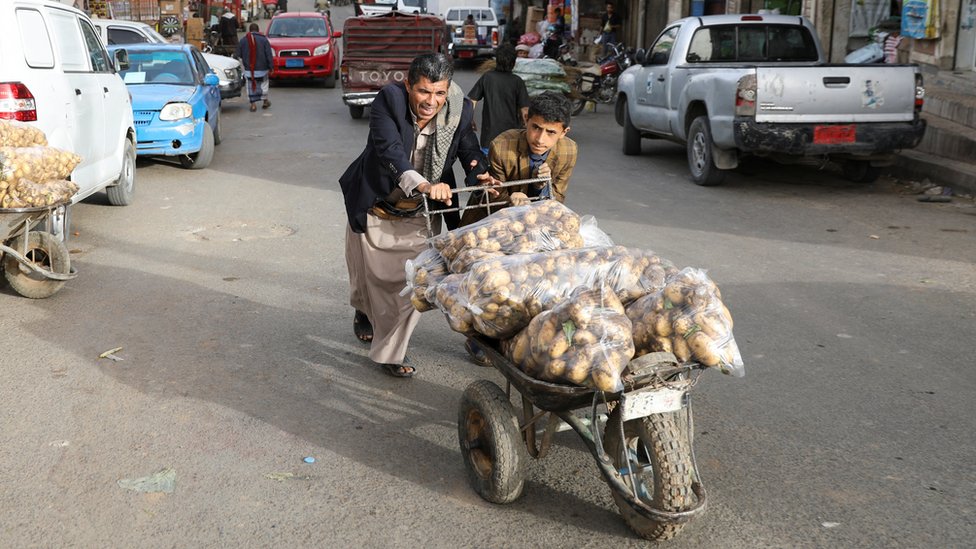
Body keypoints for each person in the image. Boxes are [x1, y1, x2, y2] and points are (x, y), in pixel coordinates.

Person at [338, 53, 496, 378]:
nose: (431, 101)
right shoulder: (389, 100)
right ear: (409, 84)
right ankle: (362, 312)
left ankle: (390, 352)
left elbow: (467, 147)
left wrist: (479, 172)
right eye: (424, 92)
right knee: (367, 279)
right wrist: (423, 183)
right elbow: (388, 149)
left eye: (439, 93)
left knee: (413, 285)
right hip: (375, 202)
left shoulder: (460, 109)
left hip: (420, 213)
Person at [459, 92, 577, 365]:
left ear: (563, 132)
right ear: (526, 120)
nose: (540, 138)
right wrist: (509, 199)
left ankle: (519, 337)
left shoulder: (569, 151)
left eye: (550, 132)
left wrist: (540, 187)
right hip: (493, 222)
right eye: (535, 128)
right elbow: (490, 192)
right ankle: (480, 335)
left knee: (537, 284)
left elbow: (558, 198)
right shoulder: (502, 145)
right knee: (493, 285)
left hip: (538, 226)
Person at [467, 44, 529, 155]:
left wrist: (470, 118)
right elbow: (525, 111)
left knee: (489, 167)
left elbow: (472, 100)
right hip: (511, 137)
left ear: (497, 61)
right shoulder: (517, 81)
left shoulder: (487, 77)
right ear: (514, 63)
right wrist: (527, 127)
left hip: (489, 138)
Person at [235, 23, 274, 112]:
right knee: (263, 85)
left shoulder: (244, 40)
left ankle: (253, 104)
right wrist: (271, 67)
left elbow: (238, 54)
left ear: (250, 30)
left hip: (249, 70)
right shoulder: (264, 40)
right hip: (263, 69)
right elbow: (269, 55)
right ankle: (265, 101)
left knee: (250, 86)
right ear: (258, 30)